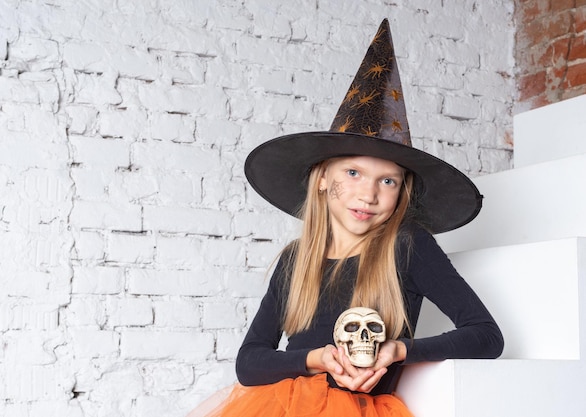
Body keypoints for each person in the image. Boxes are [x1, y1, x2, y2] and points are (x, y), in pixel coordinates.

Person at [193, 18, 503, 417]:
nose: (369, 194)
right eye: (353, 173)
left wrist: (398, 350)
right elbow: (249, 362)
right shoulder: (296, 259)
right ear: (322, 179)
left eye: (387, 181)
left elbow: (486, 336)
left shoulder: (407, 246)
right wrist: (316, 359)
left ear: (402, 190)